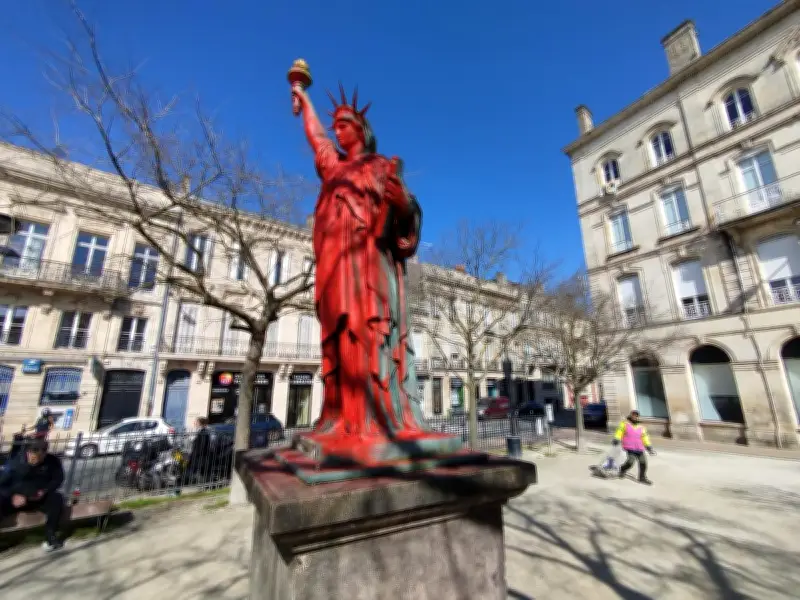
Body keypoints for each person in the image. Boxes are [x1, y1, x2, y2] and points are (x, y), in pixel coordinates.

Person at [0, 437, 65, 551]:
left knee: (56, 498)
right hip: (14, 500)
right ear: (28, 452)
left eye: (41, 456)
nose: (37, 460)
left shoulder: (52, 461)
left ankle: (51, 536)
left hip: (38, 498)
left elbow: (58, 479)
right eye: (34, 457)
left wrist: (45, 490)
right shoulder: (14, 463)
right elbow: (3, 484)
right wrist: (13, 495)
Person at [612, 410, 655, 485]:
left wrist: (649, 447)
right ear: (631, 416)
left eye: (636, 416)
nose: (635, 417)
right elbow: (619, 432)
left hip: (639, 448)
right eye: (633, 415)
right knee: (630, 462)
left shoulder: (641, 427)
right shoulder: (625, 424)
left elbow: (645, 437)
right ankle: (622, 469)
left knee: (643, 462)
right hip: (630, 447)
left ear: (638, 417)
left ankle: (642, 478)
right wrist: (616, 438)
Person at [186, 417, 212, 483]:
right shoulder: (200, 431)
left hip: (199, 455)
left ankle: (201, 484)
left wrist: (197, 454)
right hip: (196, 455)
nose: (194, 423)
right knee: (194, 469)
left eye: (196, 422)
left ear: (200, 423)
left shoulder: (203, 431)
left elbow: (202, 445)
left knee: (198, 470)